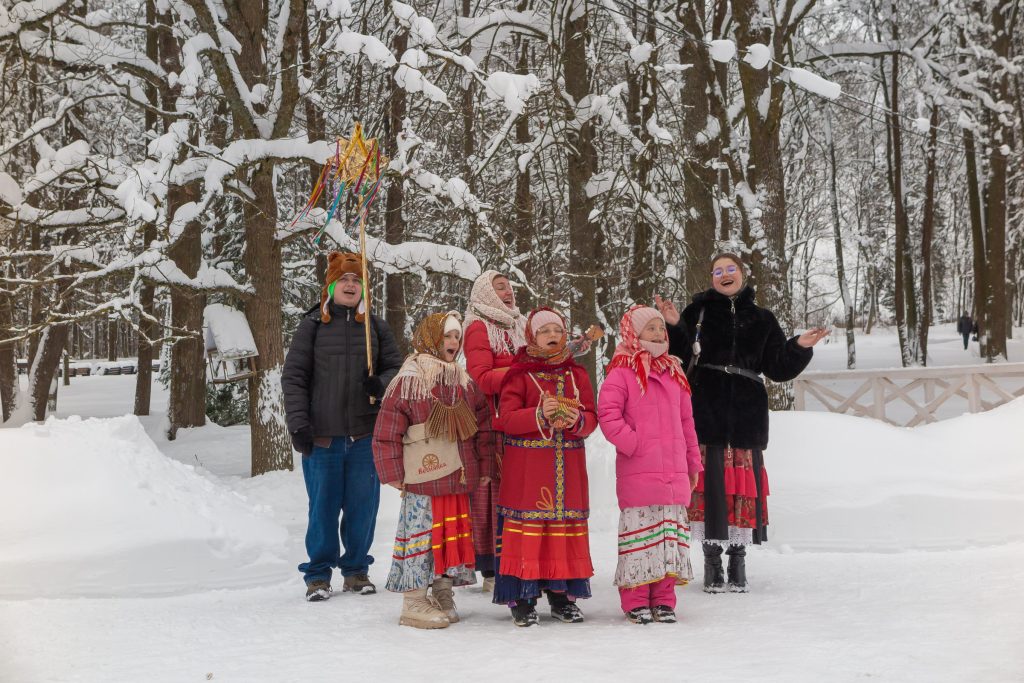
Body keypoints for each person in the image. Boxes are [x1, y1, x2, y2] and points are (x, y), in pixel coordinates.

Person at [655, 252, 828, 593]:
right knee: (710, 490)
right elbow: (679, 357)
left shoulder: (762, 318)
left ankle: (738, 561)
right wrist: (675, 326)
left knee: (741, 493)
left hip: (747, 415)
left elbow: (777, 367)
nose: (725, 274)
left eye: (731, 268)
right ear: (711, 278)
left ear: (743, 274)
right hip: (707, 411)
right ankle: (711, 563)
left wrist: (799, 346)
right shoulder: (698, 312)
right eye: (718, 270)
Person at [282, 251, 403, 602]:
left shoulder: (375, 326)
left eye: (357, 280)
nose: (351, 285)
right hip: (322, 437)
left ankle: (356, 570)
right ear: (331, 286)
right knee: (322, 509)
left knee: (363, 508)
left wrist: (381, 383)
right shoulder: (312, 326)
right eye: (344, 279)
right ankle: (318, 575)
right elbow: (294, 377)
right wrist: (298, 423)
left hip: (365, 435)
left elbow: (397, 369)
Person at [372, 311, 495, 629]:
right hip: (424, 479)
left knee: (450, 535)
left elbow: (483, 426)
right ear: (430, 338)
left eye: (457, 336)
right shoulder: (409, 381)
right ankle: (413, 600)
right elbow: (387, 430)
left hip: (458, 476)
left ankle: (442, 592)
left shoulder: (463, 381)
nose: (453, 342)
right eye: (446, 336)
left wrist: (484, 465)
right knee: (422, 536)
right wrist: (392, 471)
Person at [493, 307, 597, 626]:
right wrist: (538, 415)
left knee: (560, 533)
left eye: (558, 330)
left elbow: (592, 418)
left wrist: (577, 420)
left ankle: (561, 596)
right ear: (531, 337)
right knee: (530, 533)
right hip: (529, 472)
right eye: (544, 331)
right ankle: (523, 599)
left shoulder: (576, 374)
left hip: (567, 468)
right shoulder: (519, 374)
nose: (553, 335)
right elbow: (506, 419)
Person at [597, 305, 701, 624]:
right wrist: (636, 444)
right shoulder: (622, 371)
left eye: (661, 328)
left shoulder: (674, 372)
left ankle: (664, 600)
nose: (658, 333)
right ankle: (636, 599)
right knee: (641, 541)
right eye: (650, 328)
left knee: (669, 539)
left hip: (674, 474)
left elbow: (687, 423)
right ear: (633, 333)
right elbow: (608, 415)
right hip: (640, 473)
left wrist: (692, 463)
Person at [462, 270, 527, 591]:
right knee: (493, 491)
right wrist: (524, 372)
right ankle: (492, 567)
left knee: (517, 488)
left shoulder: (520, 324)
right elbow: (482, 377)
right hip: (491, 419)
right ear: (486, 293)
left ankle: (517, 558)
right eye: (499, 287)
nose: (508, 291)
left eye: (509, 287)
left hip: (519, 416)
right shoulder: (478, 326)